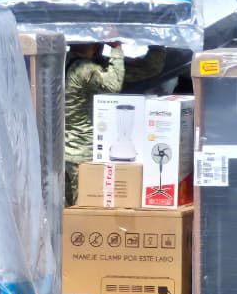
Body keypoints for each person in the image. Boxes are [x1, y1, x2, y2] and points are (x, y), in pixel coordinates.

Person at [63, 42, 167, 206]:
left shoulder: (67, 63)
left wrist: (157, 45)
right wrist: (116, 48)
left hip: (69, 153)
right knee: (83, 210)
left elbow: (146, 69)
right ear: (96, 46)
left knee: (69, 211)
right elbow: (113, 85)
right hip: (81, 155)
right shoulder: (83, 68)